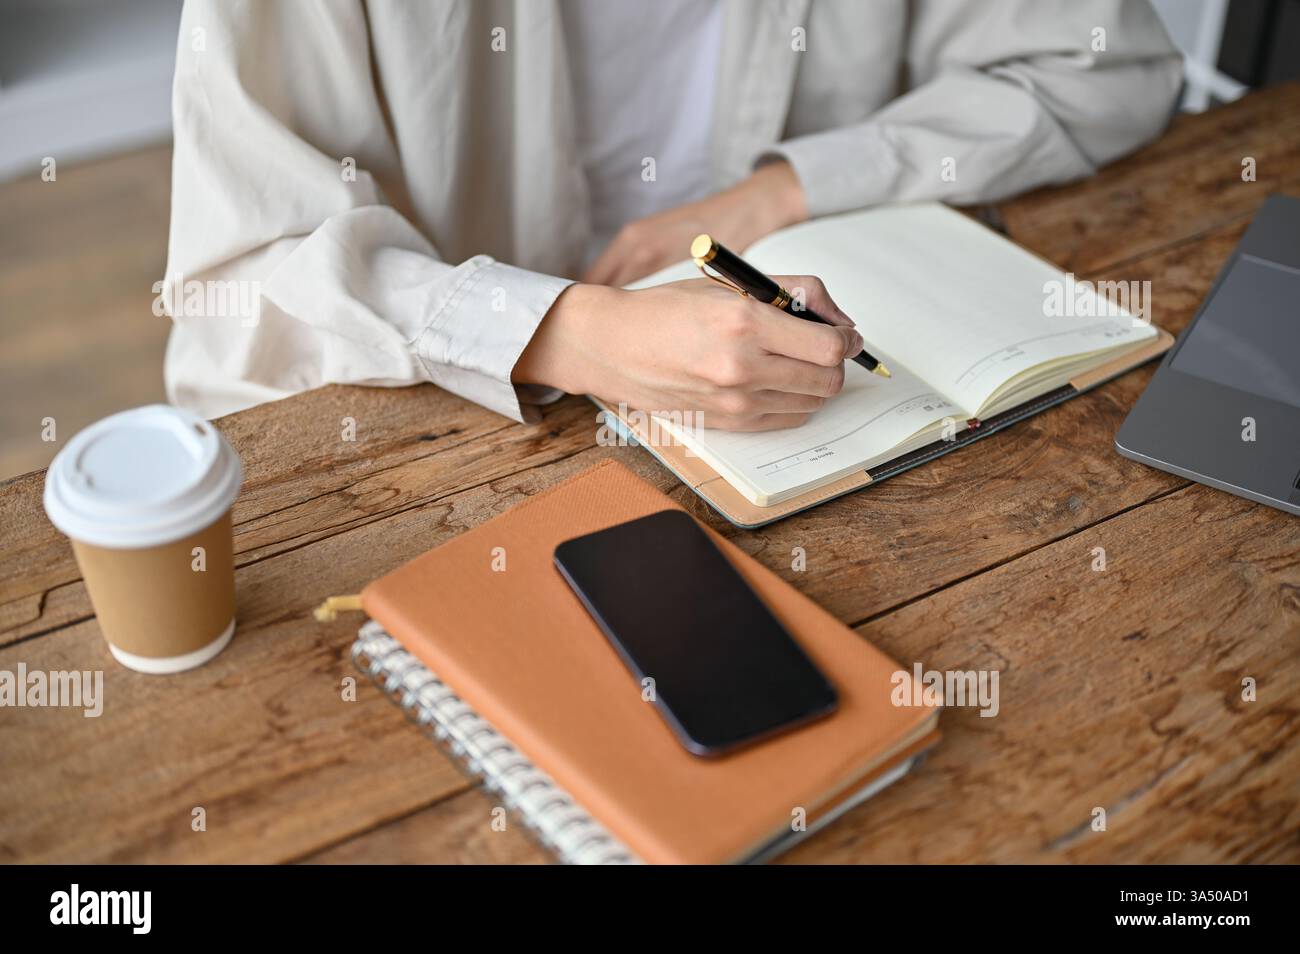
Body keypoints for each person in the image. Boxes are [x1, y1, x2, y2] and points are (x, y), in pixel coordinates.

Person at [164, 0, 1181, 431]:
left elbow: (1104, 63)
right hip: (445, 424)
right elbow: (239, 284)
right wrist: (563, 331)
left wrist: (783, 187)